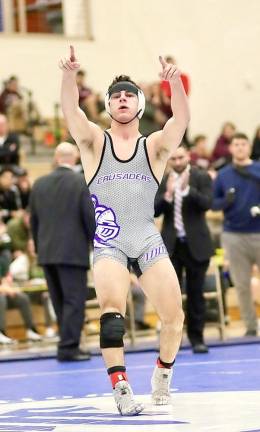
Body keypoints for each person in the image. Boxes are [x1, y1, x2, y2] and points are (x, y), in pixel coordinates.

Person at [59, 46, 189, 415]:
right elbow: (71, 112)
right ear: (108, 106)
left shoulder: (155, 147)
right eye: (115, 96)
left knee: (174, 318)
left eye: (129, 95)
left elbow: (179, 121)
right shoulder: (94, 142)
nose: (121, 99)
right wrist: (69, 76)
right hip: (110, 242)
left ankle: (162, 373)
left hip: (146, 237)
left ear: (140, 105)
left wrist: (175, 83)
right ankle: (121, 388)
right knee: (111, 312)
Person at [29, 142, 95, 361]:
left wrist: (40, 250)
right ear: (75, 158)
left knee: (59, 302)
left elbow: (34, 221)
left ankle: (66, 343)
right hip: (73, 253)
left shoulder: (39, 184)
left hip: (47, 253)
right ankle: (68, 348)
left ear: (57, 158)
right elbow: (89, 218)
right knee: (74, 301)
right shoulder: (80, 182)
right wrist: (97, 245)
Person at [155, 145, 213, 353]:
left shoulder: (200, 176)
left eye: (181, 157)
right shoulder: (164, 181)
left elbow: (207, 203)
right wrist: (167, 195)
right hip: (172, 246)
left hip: (197, 245)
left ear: (188, 156)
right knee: (171, 296)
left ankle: (197, 338)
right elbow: (154, 210)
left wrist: (189, 191)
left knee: (196, 293)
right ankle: (173, 340)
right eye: (173, 159)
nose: (177, 162)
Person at [212, 133, 260, 337]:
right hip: (233, 235)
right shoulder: (223, 175)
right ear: (230, 149)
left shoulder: (258, 169)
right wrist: (226, 202)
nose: (240, 148)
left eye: (243, 144)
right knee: (241, 284)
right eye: (236, 144)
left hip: (258, 232)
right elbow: (213, 204)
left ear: (249, 147)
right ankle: (250, 326)